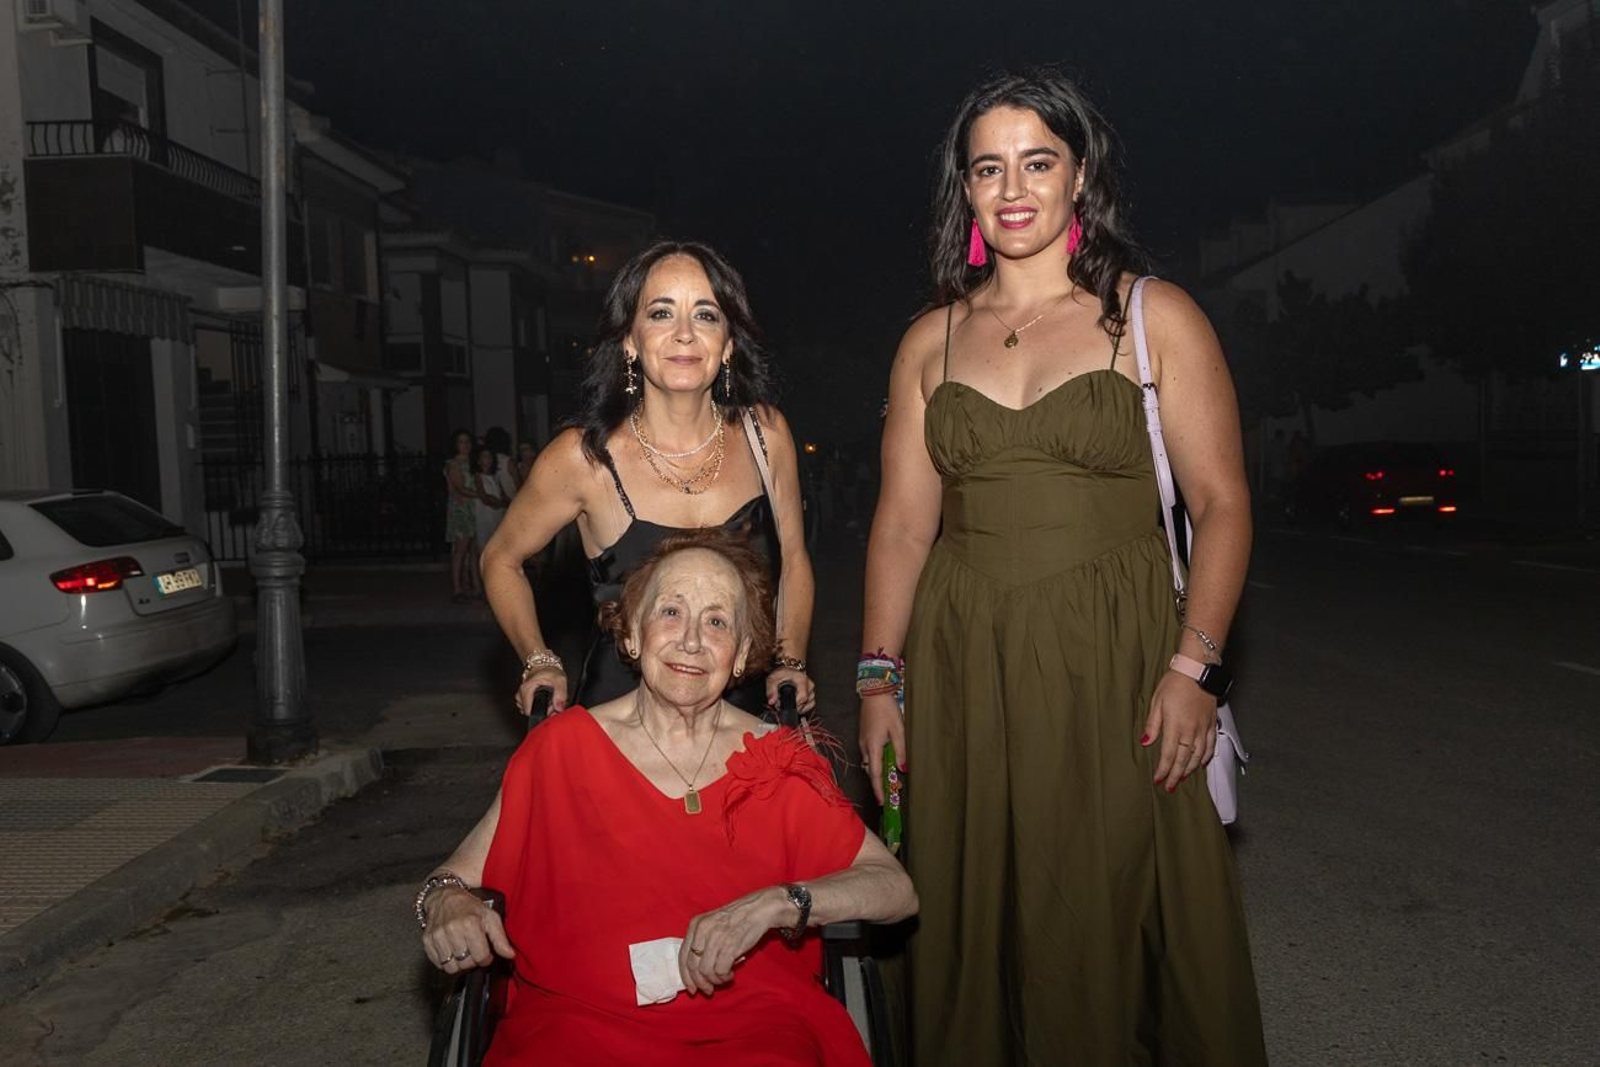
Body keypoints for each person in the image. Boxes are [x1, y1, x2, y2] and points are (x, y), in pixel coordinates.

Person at [857, 68, 1267, 1063]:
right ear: (964, 188)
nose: (1012, 187)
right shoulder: (928, 340)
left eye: (1036, 162)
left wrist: (1193, 668)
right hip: (966, 661)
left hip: (1117, 656)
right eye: (986, 167)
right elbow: (904, 526)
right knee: (973, 898)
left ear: (1079, 176)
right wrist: (878, 678)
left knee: (1109, 897)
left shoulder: (1151, 314)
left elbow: (1220, 505)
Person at [418, 532, 917, 1065]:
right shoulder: (560, 752)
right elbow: (452, 879)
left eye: (718, 622)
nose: (692, 642)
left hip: (756, 1027)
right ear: (632, 633)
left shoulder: (780, 761)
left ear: (744, 651)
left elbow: (894, 889)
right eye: (672, 612)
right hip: (578, 1025)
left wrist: (780, 903)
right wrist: (448, 903)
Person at [481, 240, 816, 719]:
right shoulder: (585, 458)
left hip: (748, 720)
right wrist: (538, 659)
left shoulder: (767, 436)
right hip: (620, 728)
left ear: (728, 344)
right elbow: (500, 559)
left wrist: (790, 660)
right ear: (630, 341)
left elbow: (796, 561)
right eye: (661, 313)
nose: (684, 334)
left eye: (705, 315)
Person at [443, 428, 481, 602]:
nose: (465, 445)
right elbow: (460, 488)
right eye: (461, 442)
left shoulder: (474, 462)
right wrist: (483, 496)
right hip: (461, 510)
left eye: (467, 441)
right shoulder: (453, 464)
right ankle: (457, 589)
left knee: (474, 550)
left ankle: (476, 587)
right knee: (460, 550)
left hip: (473, 508)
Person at [473, 446, 511, 562]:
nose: (488, 460)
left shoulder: (495, 477)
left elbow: (504, 496)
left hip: (497, 515)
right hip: (484, 515)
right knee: (484, 546)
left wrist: (502, 502)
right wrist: (494, 502)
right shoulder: (478, 476)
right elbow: (483, 495)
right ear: (479, 460)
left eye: (490, 457)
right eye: (484, 457)